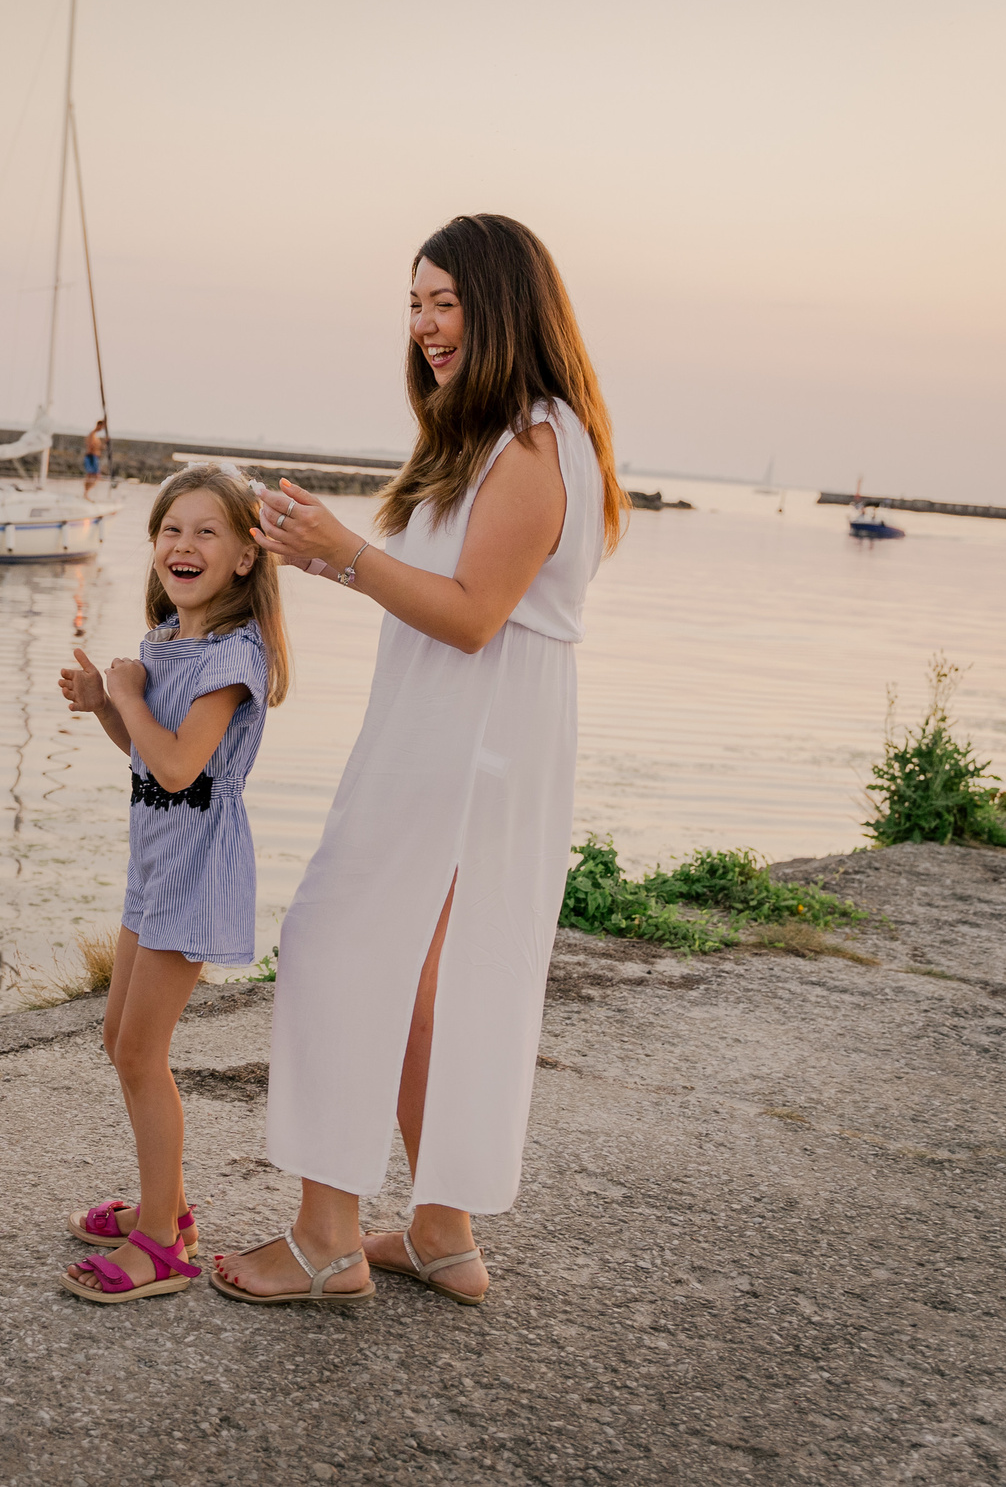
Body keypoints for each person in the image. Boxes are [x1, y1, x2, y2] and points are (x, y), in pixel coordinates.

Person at [213, 213, 622, 1308]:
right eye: (415, 304)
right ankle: (441, 1233)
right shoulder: (487, 438)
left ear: (504, 309)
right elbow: (455, 594)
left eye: (447, 303)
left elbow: (476, 615)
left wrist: (343, 553)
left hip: (469, 742)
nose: (427, 325)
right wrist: (327, 550)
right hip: (454, 731)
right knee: (425, 983)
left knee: (340, 944)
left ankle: (325, 1241)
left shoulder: (534, 444)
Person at [56, 464, 289, 1304]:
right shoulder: (167, 641)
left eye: (205, 531)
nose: (183, 545)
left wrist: (126, 694)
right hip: (154, 868)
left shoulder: (232, 657)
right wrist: (108, 704)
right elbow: (148, 754)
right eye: (170, 529)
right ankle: (170, 1207)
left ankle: (162, 1242)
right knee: (118, 1037)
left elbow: (183, 765)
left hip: (196, 872)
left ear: (244, 557)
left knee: (141, 1053)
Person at [82, 417, 109, 497]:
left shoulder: (94, 435)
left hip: (93, 457)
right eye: (102, 427)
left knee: (91, 476)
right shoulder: (92, 435)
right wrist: (102, 445)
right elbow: (92, 446)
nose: (102, 429)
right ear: (99, 425)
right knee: (94, 476)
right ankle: (86, 493)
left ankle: (86, 493)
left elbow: (98, 447)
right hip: (91, 457)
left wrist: (104, 443)